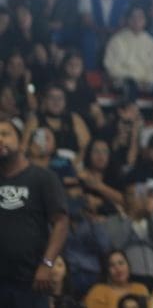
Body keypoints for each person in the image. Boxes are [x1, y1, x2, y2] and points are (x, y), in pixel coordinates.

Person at [0, 118, 69, 308]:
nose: (0, 140)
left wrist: (47, 264)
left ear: (21, 141)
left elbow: (61, 222)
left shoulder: (42, 177)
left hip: (31, 280)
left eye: (5, 134)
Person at [83, 250, 150, 308]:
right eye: (112, 265)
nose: (118, 269)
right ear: (106, 270)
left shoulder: (140, 288)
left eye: (121, 263)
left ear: (128, 266)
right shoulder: (97, 292)